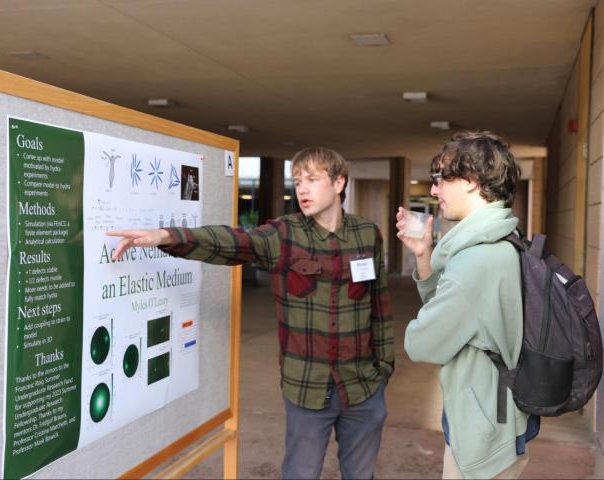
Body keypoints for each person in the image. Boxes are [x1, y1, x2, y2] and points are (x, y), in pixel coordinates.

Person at [109, 147, 394, 479]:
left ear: (339, 183)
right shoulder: (283, 234)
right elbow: (230, 241)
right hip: (307, 388)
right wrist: (166, 236)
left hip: (363, 388)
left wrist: (384, 368)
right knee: (300, 474)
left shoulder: (367, 234)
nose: (301, 189)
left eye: (312, 180)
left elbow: (380, 305)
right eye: (297, 180)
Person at [396, 131, 539, 479]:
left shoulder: (476, 261)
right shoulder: (505, 240)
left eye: (442, 178)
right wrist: (424, 255)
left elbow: (422, 342)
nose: (434, 190)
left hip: (485, 436)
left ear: (473, 181)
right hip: (500, 416)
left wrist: (424, 321)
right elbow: (454, 313)